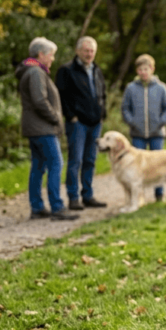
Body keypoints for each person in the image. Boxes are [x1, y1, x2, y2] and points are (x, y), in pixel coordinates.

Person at [15, 37, 78, 222]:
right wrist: (55, 118)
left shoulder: (32, 70)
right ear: (41, 54)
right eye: (51, 55)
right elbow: (39, 100)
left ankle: (37, 207)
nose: (52, 59)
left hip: (35, 127)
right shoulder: (35, 72)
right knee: (56, 164)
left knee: (38, 166)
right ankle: (57, 207)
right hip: (42, 128)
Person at [55, 36, 108, 210]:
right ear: (78, 51)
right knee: (75, 160)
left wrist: (102, 113)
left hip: (95, 122)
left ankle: (88, 195)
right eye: (86, 50)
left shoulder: (96, 70)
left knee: (90, 160)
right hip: (77, 123)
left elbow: (102, 93)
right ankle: (73, 197)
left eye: (92, 51)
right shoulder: (67, 70)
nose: (89, 54)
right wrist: (70, 116)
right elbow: (60, 96)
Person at [122, 54, 166, 201]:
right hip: (137, 134)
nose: (143, 72)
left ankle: (159, 195)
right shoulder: (131, 88)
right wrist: (132, 122)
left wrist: (160, 122)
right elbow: (125, 108)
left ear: (152, 69)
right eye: (140, 70)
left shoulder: (161, 87)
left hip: (157, 133)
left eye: (145, 69)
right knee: (137, 168)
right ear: (137, 71)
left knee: (158, 166)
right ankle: (138, 197)